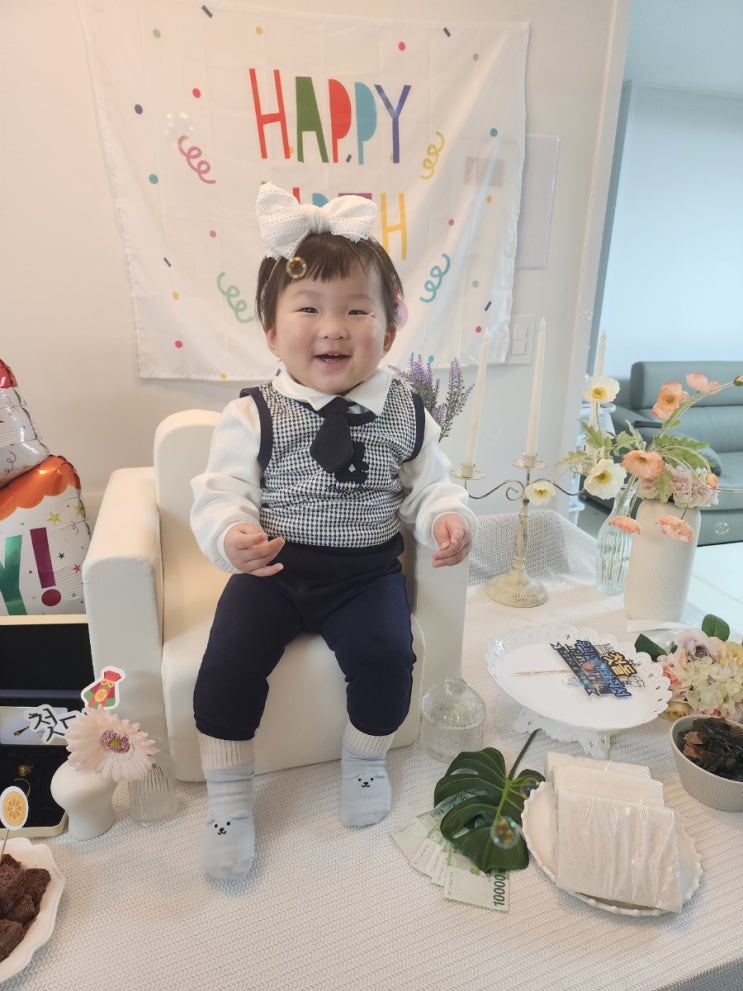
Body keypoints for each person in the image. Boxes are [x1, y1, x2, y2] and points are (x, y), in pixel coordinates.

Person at [190, 182, 476, 880]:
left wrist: (447, 515)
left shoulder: (406, 410)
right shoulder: (253, 413)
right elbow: (220, 491)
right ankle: (228, 799)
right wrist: (231, 534)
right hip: (274, 571)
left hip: (365, 574)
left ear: (390, 329)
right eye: (309, 308)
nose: (334, 327)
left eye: (356, 309)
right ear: (270, 330)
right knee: (226, 664)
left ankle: (365, 759)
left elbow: (430, 482)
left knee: (388, 656)